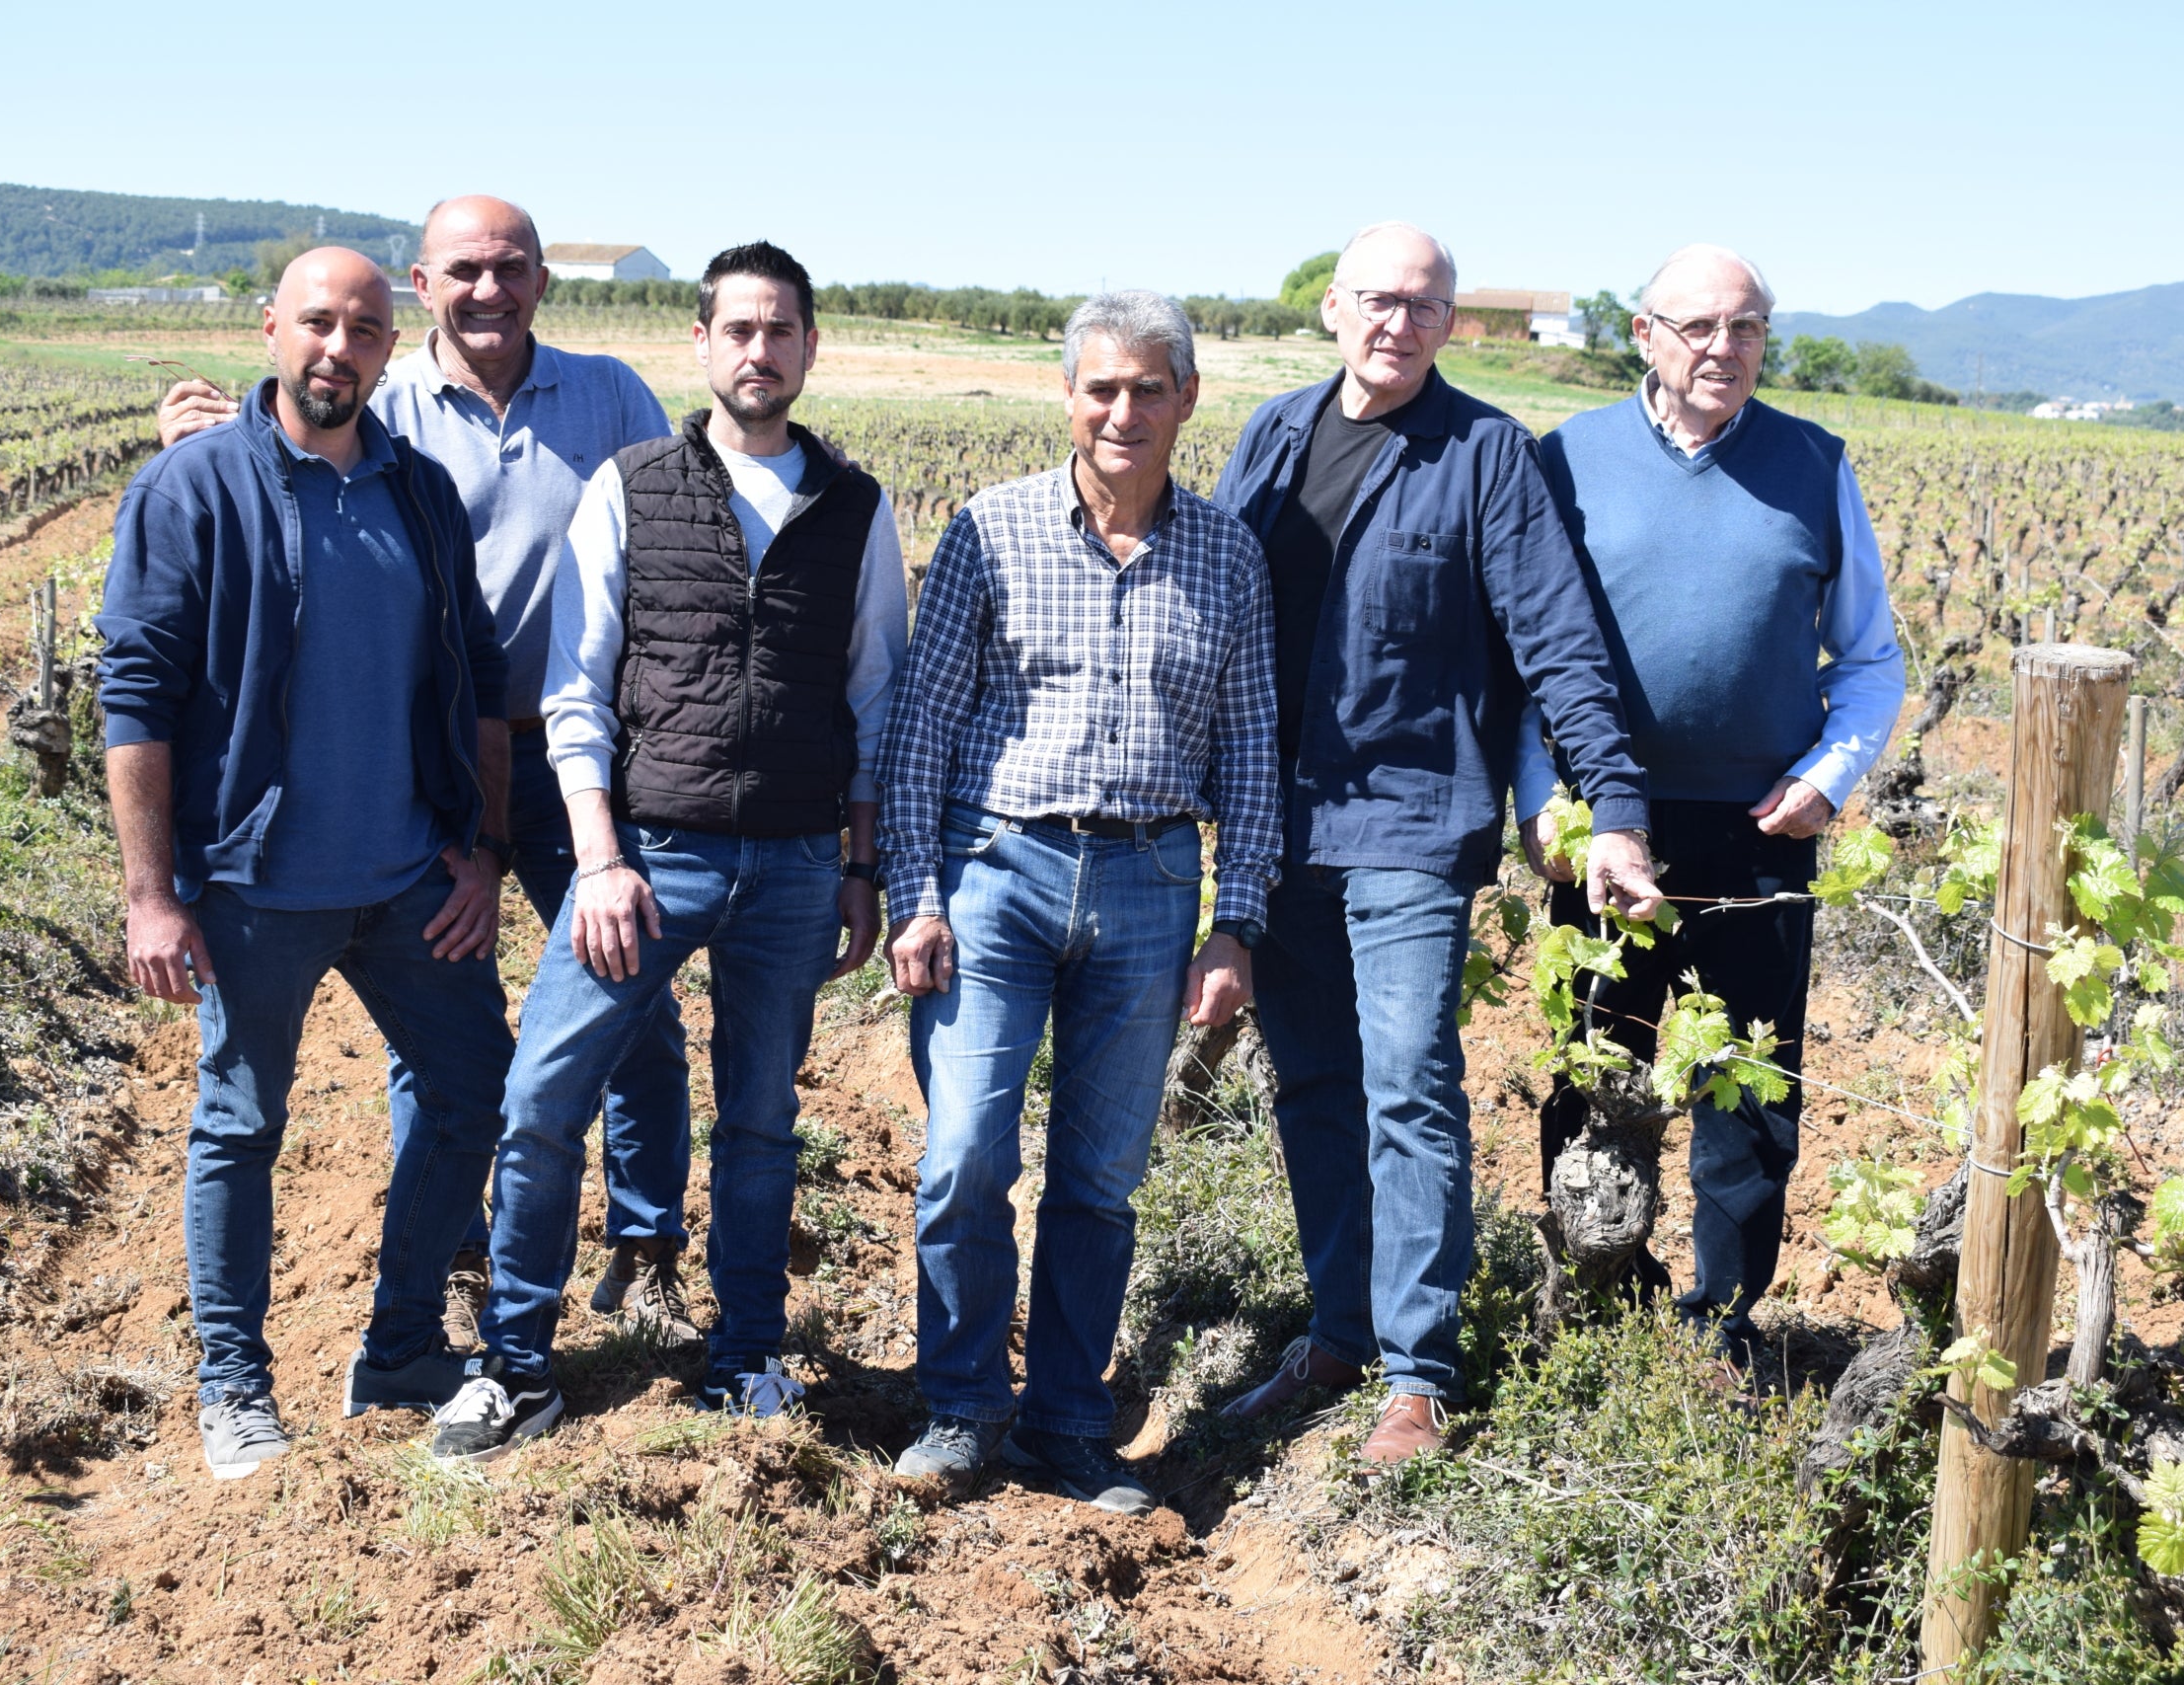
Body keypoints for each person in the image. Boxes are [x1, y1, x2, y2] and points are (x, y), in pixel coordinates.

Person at [158, 197, 691, 1348]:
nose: (488, 289)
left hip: (588, 757)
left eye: (510, 268)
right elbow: (274, 455)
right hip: (438, 765)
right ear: (420, 288)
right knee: (437, 1026)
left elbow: (681, 519)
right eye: (464, 270)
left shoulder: (611, 396)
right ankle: (447, 1256)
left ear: (543, 279)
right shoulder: (382, 405)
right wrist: (190, 444)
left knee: (631, 1001)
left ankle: (645, 1246)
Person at [427, 242, 908, 1464]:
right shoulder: (632, 483)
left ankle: (743, 1355)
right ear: (700, 347)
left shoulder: (857, 508)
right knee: (543, 1097)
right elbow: (578, 689)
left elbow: (876, 699)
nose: (759, 351)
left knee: (757, 1122)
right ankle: (517, 1362)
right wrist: (597, 859)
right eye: (736, 330)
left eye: (780, 331)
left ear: (809, 349)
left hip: (797, 865)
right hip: (651, 853)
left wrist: (860, 866)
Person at [1210, 222, 1660, 1465]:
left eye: (1420, 305)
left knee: (1407, 1080)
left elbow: (1557, 640)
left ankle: (1420, 1371)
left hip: (1410, 818)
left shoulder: (1486, 456)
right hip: (1276, 820)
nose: (1393, 323)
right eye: (1373, 299)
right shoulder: (1271, 434)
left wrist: (1610, 807)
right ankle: (1337, 1328)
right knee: (1307, 1082)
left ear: (1449, 326)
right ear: (1331, 309)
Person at [97, 249, 514, 1481]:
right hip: (252, 885)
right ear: (273, 327)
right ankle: (234, 1389)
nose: (339, 348)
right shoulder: (194, 486)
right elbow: (136, 697)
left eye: (366, 329)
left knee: (472, 1085)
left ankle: (397, 1348)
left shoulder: (419, 492)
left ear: (396, 346)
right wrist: (150, 895)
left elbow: (478, 680)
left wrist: (481, 851)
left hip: (404, 882)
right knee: (240, 1123)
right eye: (318, 323)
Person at [877, 291, 1278, 1516]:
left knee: (1099, 1181)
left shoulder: (1228, 555)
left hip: (1154, 883)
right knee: (962, 1159)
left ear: (1186, 401)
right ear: (1067, 398)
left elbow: (1255, 751)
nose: (1122, 411)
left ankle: (1061, 1424)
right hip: (999, 872)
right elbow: (923, 728)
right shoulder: (991, 531)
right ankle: (958, 1408)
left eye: (1147, 388)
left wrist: (1236, 920)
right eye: (1100, 388)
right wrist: (915, 893)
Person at [1520, 243, 1905, 1372]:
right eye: (1696, 327)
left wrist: (1827, 780)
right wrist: (1544, 805)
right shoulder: (1568, 461)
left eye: (1744, 329)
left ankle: (1720, 1322)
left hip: (1760, 831)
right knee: (1596, 1068)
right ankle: (1598, 1296)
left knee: (1749, 1087)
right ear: (1644, 335)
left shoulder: (1813, 463)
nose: (1721, 349)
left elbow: (1872, 656)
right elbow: (1520, 657)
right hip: (1605, 833)